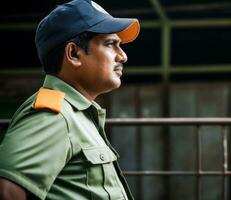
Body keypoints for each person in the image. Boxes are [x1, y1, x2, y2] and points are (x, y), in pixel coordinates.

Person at [0, 0, 139, 199]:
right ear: (74, 54)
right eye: (110, 44)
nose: (122, 56)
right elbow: (6, 191)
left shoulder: (77, 113)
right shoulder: (53, 115)